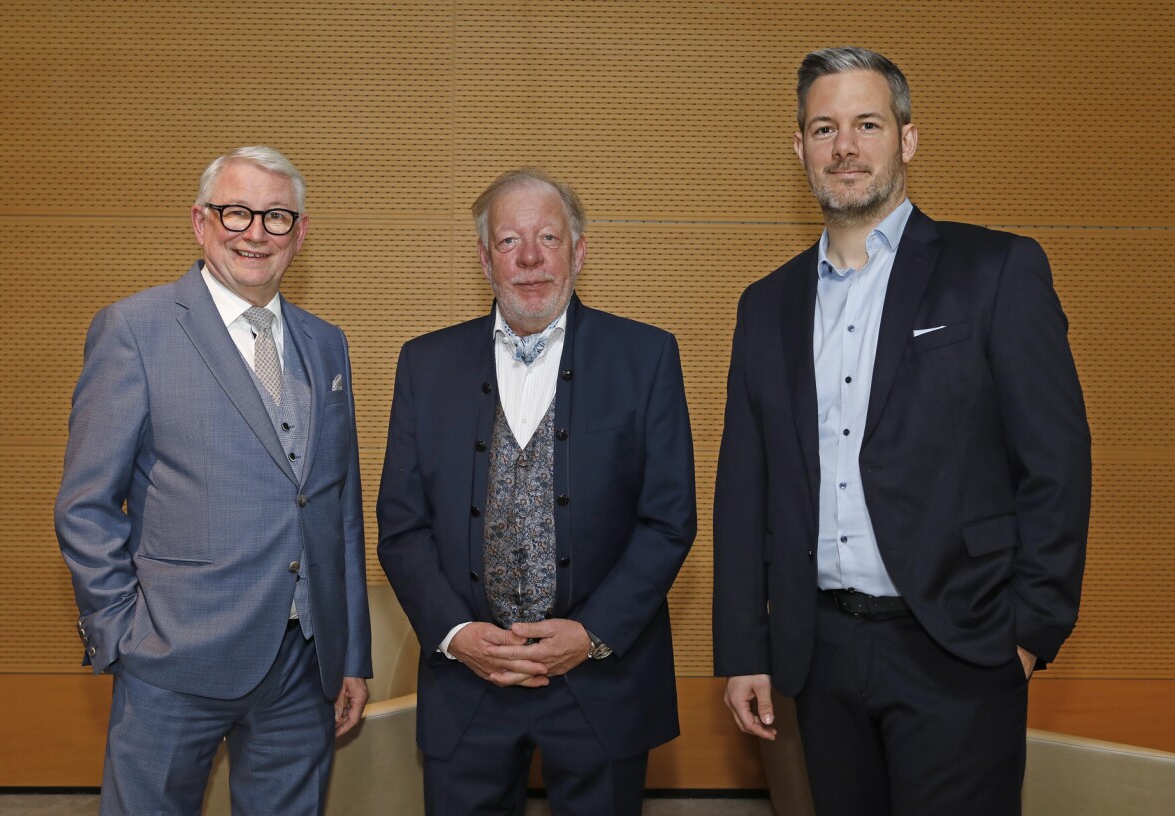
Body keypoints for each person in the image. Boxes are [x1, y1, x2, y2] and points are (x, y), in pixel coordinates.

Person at [713, 47, 1091, 816]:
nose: (844, 148)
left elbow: (1056, 463)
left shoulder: (996, 270)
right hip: (818, 655)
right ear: (800, 148)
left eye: (866, 124)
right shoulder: (765, 305)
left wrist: (1029, 631)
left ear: (907, 139)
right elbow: (743, 489)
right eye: (824, 128)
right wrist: (745, 649)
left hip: (960, 646)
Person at [55, 146, 371, 815]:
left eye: (276, 217)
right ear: (200, 222)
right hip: (172, 659)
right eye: (236, 212)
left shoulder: (326, 343)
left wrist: (350, 653)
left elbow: (338, 505)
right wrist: (124, 634)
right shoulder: (135, 330)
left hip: (302, 662)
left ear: (301, 232)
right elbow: (85, 506)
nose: (255, 232)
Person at [377, 168, 696, 816]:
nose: (529, 259)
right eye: (509, 241)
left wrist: (592, 633)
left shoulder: (647, 357)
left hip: (601, 682)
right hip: (466, 682)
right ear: (483, 257)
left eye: (547, 238)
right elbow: (401, 524)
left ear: (578, 251)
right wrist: (455, 632)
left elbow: (668, 520)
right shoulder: (424, 364)